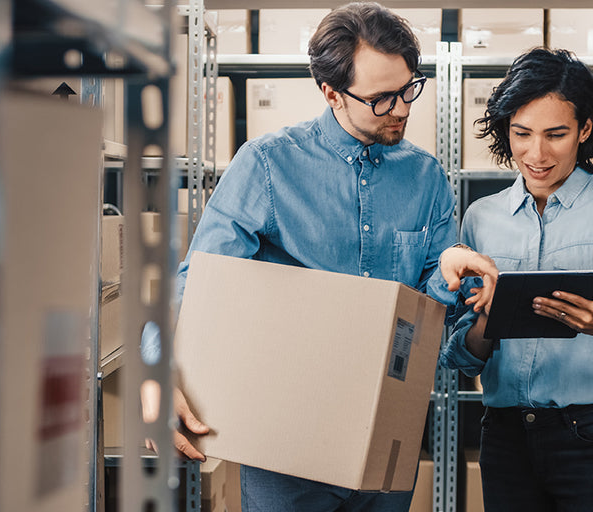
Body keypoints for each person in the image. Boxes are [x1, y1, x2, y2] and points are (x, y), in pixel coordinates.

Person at [141, 3, 498, 511]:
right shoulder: (267, 165)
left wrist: (447, 279)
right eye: (381, 98)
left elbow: (433, 323)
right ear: (331, 92)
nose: (401, 108)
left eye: (408, 88)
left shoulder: (426, 178)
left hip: (387, 433)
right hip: (287, 441)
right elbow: (195, 283)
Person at [439, 47, 593, 512]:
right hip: (506, 437)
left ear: (584, 129)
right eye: (522, 134)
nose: (537, 153)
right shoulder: (481, 218)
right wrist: (488, 318)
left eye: (556, 134)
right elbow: (462, 359)